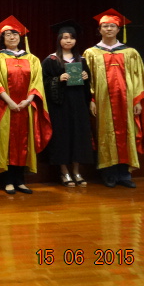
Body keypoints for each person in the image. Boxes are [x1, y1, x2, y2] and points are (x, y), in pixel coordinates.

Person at [83, 9, 144, 188]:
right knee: (105, 135)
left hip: (127, 102)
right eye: (105, 26)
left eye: (112, 26)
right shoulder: (91, 53)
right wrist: (91, 100)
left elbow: (139, 78)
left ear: (118, 29)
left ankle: (124, 174)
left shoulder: (131, 52)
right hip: (103, 102)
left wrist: (137, 100)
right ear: (99, 30)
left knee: (127, 134)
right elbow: (87, 80)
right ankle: (108, 173)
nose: (109, 29)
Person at [0, 16, 52, 195]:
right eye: (8, 34)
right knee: (5, 142)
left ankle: (20, 180)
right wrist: (9, 101)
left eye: (15, 34)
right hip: (5, 107)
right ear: (2, 38)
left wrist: (28, 100)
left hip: (26, 107)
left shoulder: (32, 59)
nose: (12, 37)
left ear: (21, 37)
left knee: (24, 142)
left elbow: (37, 82)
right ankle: (7, 180)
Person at [42, 20, 94, 187]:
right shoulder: (51, 60)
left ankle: (77, 171)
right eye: (65, 37)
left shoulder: (82, 60)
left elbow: (88, 86)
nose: (68, 41)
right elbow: (43, 83)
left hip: (78, 104)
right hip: (60, 106)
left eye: (71, 37)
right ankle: (64, 172)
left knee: (78, 136)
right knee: (62, 137)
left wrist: (86, 78)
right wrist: (58, 79)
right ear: (59, 40)